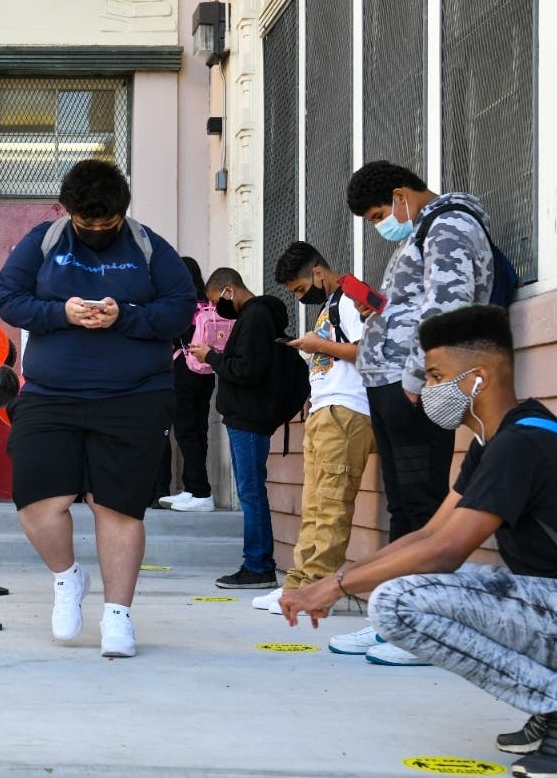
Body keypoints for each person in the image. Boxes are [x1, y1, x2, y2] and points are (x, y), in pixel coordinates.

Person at [279, 305, 557, 778]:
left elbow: (446, 553)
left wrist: (336, 587)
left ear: (478, 378)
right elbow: (431, 532)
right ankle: (549, 707)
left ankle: (554, 704)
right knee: (407, 588)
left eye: (435, 376)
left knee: (398, 603)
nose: (426, 390)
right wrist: (337, 577)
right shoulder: (500, 438)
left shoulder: (521, 444)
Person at [0, 158, 195, 658]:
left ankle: (118, 616)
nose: (99, 233)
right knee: (38, 500)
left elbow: (180, 308)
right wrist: (61, 312)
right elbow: (10, 299)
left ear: (123, 213)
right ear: (69, 213)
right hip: (50, 395)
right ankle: (68, 579)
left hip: (135, 396)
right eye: (88, 226)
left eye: (108, 225)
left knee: (117, 505)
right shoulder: (44, 240)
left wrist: (123, 316)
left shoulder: (148, 245)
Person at [339, 160, 495, 663]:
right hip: (389, 382)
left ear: (403, 194)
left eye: (381, 212)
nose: (382, 223)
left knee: (422, 504)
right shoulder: (425, 230)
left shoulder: (449, 224)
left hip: (410, 388)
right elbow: (416, 303)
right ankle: (396, 618)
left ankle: (421, 626)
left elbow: (446, 308)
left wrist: (416, 379)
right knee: (403, 506)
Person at [250, 242, 375, 614]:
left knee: (332, 504)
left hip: (347, 409)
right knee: (315, 506)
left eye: (302, 289)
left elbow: (368, 350)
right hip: (325, 410)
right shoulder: (331, 305)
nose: (301, 297)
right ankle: (297, 584)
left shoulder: (351, 298)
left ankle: (315, 590)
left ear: (318, 272)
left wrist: (317, 344)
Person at [190, 268, 290, 590]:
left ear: (229, 290)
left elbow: (248, 369)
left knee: (250, 493)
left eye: (217, 300)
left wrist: (213, 357)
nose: (217, 307)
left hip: (248, 417)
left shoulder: (255, 317)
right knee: (251, 491)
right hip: (243, 416)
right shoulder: (254, 316)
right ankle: (257, 563)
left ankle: (258, 565)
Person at [157, 256, 217, 513]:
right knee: (199, 430)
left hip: (184, 369)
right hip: (207, 370)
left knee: (185, 431)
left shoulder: (181, 303)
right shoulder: (208, 303)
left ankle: (200, 491)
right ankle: (194, 488)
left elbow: (167, 334)